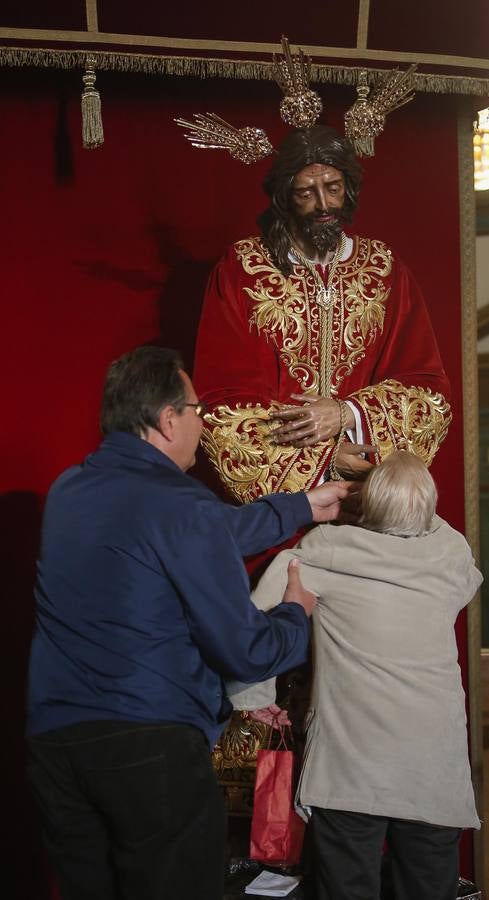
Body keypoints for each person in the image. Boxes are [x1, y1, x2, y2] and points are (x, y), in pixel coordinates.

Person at [25, 345, 349, 900]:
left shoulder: (68, 493)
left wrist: (299, 506)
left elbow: (190, 532)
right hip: (148, 749)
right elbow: (244, 650)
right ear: (167, 418)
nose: (206, 423)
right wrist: (297, 615)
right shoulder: (182, 507)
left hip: (56, 751)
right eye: (198, 409)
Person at [242, 450, 482, 900]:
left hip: (351, 768)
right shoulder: (451, 557)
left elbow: (259, 609)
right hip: (433, 768)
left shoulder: (327, 551)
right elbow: (455, 555)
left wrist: (256, 697)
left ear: (368, 504)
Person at [194, 125, 451, 504]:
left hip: (371, 488)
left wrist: (349, 415)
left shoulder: (383, 269)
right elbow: (222, 403)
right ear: (285, 195)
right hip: (283, 504)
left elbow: (429, 391)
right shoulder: (242, 269)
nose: (323, 205)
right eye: (306, 193)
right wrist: (324, 458)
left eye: (333, 188)